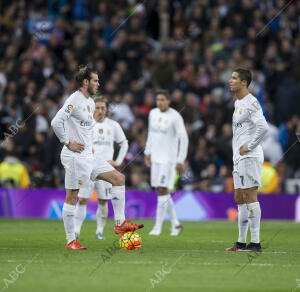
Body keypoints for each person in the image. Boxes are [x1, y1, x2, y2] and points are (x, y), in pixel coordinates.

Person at [51, 65, 143, 250]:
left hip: (89, 156)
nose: (98, 84)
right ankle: (71, 241)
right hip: (75, 157)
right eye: (95, 80)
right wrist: (67, 142)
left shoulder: (91, 102)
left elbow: (86, 130)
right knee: (72, 197)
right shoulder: (74, 100)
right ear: (85, 82)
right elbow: (56, 121)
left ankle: (120, 223)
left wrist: (91, 147)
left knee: (119, 178)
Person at [74, 95, 128, 240]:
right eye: (97, 108)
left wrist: (118, 161)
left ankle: (99, 231)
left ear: (107, 109)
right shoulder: (87, 124)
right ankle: (76, 231)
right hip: (88, 166)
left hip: (105, 169)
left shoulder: (113, 125)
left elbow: (124, 143)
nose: (100, 110)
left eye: (102, 108)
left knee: (103, 201)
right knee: (83, 199)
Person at [226, 68, 268, 252]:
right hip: (239, 158)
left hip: (250, 156)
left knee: (250, 197)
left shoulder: (251, 102)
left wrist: (249, 146)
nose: (230, 80)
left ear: (244, 82)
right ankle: (241, 242)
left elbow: (263, 127)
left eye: (234, 78)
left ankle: (256, 243)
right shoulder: (238, 102)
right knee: (239, 198)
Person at [144, 89, 188, 236]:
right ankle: (176, 224)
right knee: (161, 190)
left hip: (168, 159)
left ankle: (157, 227)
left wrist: (180, 159)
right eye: (158, 100)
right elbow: (150, 133)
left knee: (163, 189)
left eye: (163, 99)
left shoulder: (175, 117)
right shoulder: (153, 113)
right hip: (155, 158)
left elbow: (184, 138)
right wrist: (147, 152)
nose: (160, 102)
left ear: (168, 101)